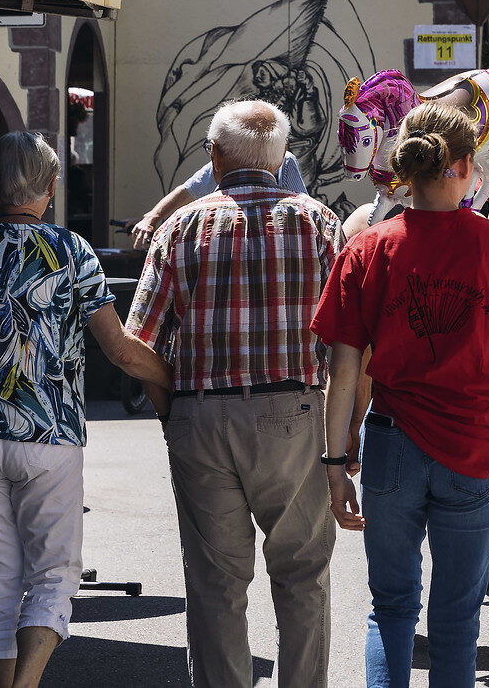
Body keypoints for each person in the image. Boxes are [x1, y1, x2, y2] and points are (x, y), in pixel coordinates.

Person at [0, 133, 172, 688]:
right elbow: (120, 350)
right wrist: (173, 381)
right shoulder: (71, 251)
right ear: (49, 190)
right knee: (54, 575)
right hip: (48, 434)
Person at [314, 103, 489, 688]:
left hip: (392, 446)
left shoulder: (369, 249)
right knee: (457, 617)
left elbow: (342, 372)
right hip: (474, 447)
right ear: (465, 165)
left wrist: (333, 463)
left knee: (391, 608)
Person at [126, 100, 345, 688]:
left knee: (217, 584)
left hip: (201, 413)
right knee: (302, 575)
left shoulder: (181, 226)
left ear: (215, 157)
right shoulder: (320, 223)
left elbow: (136, 341)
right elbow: (352, 339)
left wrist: (171, 403)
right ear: (281, 159)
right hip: (296, 412)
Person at [130, 146, 306, 246]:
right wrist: (151, 217)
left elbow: (303, 211)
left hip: (278, 243)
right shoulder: (231, 159)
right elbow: (187, 191)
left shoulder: (285, 160)